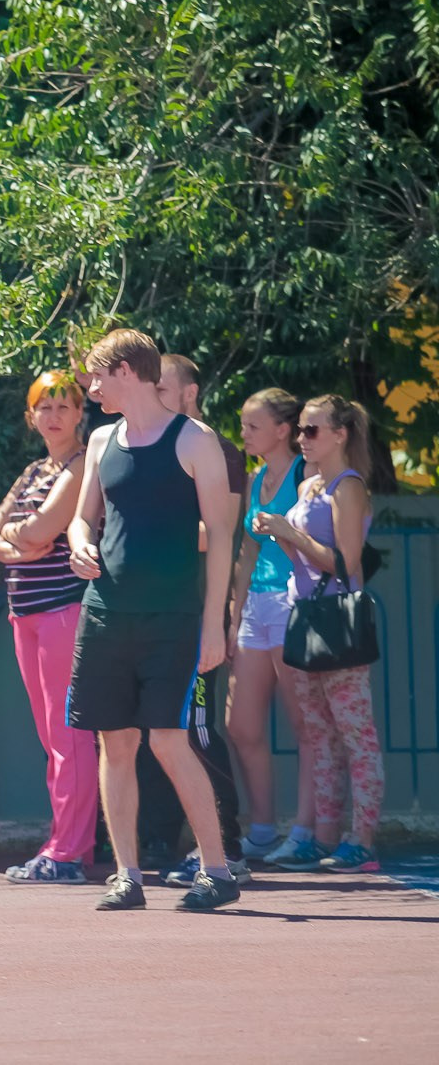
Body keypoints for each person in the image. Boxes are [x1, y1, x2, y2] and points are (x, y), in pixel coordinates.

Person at [67, 329, 240, 913]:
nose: (90, 388)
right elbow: (81, 520)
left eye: (96, 376)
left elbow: (221, 536)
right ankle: (127, 875)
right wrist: (78, 543)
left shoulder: (196, 441)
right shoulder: (99, 441)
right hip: (105, 615)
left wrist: (214, 623)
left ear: (124, 372)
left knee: (169, 740)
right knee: (113, 743)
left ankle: (217, 870)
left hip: (174, 618)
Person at [253, 395, 384, 873]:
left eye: (311, 430)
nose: (303, 438)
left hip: (338, 619)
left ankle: (362, 838)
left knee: (355, 736)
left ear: (340, 434)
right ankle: (325, 836)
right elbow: (305, 562)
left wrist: (291, 534)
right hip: (305, 615)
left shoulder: (347, 488)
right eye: (302, 430)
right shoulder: (309, 487)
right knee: (319, 734)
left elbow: (347, 566)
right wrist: (281, 536)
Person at [0, 370, 95, 883]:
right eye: (44, 408)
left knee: (69, 735)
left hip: (62, 613)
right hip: (24, 615)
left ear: (80, 414)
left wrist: (20, 535)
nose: (54, 416)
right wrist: (17, 542)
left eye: (64, 407)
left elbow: (46, 528)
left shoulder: (81, 465)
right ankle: (66, 843)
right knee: (54, 738)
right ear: (31, 417)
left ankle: (68, 851)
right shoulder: (33, 470)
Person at [141, 354, 248, 886]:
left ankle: (228, 851)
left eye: (161, 387)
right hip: (157, 612)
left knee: (200, 730)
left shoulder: (213, 449)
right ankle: (171, 842)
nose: (151, 396)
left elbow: (221, 532)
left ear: (189, 392)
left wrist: (148, 536)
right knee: (160, 732)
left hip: (199, 612)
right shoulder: (146, 443)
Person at [226, 387, 315, 864]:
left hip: (293, 604)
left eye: (252, 425)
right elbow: (246, 551)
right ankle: (262, 829)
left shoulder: (306, 475)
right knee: (240, 725)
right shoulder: (256, 476)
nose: (244, 432)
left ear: (283, 430)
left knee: (305, 723)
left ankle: (303, 832)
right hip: (256, 609)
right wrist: (234, 612)